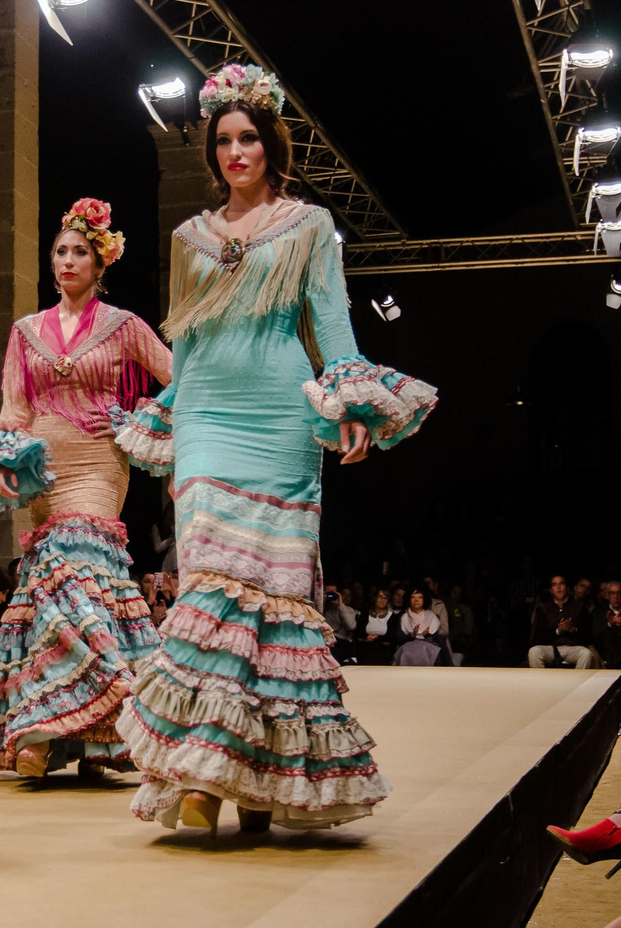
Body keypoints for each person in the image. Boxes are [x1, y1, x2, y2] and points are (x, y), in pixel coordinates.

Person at [112, 66, 435, 834]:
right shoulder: (190, 237)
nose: (234, 151)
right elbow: (184, 341)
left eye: (247, 137)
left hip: (282, 418)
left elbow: (332, 324)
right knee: (209, 589)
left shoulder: (310, 225)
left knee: (274, 603)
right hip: (208, 419)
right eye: (222, 140)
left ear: (270, 142)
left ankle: (253, 780)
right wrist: (169, 421)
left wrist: (352, 406)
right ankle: (204, 769)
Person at [0, 197, 171, 778]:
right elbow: (14, 409)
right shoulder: (26, 331)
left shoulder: (124, 326)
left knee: (80, 576)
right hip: (42, 468)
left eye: (81, 252)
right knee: (50, 591)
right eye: (61, 252)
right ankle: (82, 737)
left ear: (100, 263)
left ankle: (60, 732)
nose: (69, 260)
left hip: (98, 463)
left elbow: (179, 378)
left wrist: (143, 419)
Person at [528, 575, 599, 669]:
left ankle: (577, 682)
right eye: (554, 584)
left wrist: (572, 629)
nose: (558, 587)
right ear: (551, 590)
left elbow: (587, 635)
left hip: (572, 647)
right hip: (551, 648)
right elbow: (540, 637)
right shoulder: (544, 608)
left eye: (561, 584)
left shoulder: (579, 607)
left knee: (586, 654)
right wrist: (558, 630)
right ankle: (542, 682)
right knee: (534, 651)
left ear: (567, 588)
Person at [354, 589, 401, 665]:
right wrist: (367, 638)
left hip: (384, 650)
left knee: (375, 646)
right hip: (365, 647)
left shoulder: (393, 617)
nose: (382, 600)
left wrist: (378, 638)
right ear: (375, 598)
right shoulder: (365, 614)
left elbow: (392, 638)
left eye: (385, 598)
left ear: (388, 601)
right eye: (380, 597)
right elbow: (358, 634)